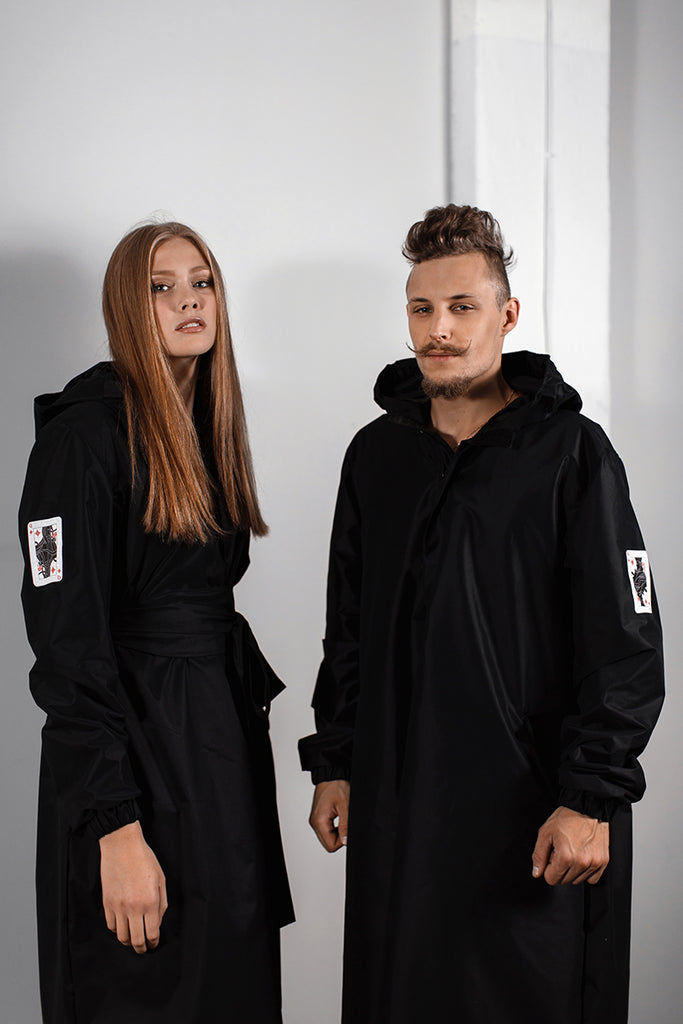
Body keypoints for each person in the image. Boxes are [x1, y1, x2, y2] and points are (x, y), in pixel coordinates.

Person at [299, 205, 664, 1023]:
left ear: (507, 314)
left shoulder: (572, 453)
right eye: (421, 309)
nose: (439, 329)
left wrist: (591, 797)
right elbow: (348, 628)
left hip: (531, 812)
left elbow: (627, 639)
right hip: (399, 804)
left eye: (462, 307)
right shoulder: (376, 456)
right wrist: (335, 761)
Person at [19, 222, 294, 1024]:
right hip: (134, 763)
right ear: (124, 309)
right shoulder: (81, 439)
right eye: (160, 287)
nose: (187, 301)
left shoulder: (207, 430)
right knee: (143, 988)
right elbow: (65, 648)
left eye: (201, 282)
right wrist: (115, 828)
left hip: (218, 755)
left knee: (229, 982)